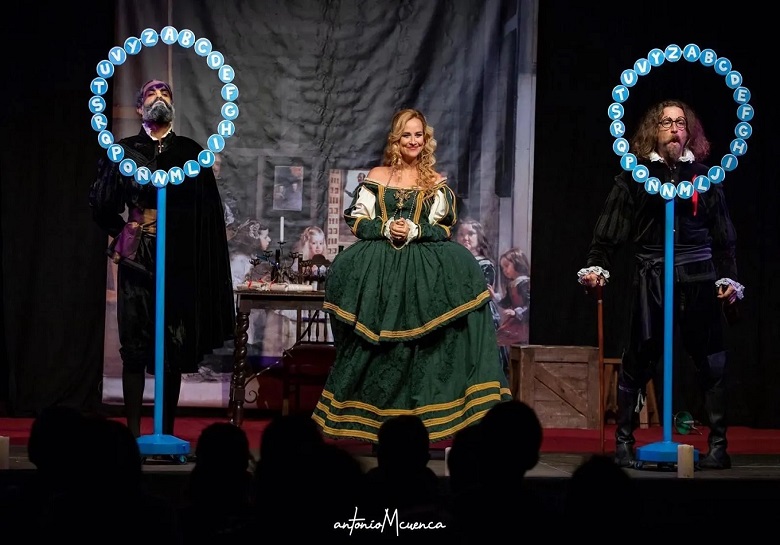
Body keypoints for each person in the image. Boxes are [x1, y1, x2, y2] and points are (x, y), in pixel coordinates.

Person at [312, 108, 512, 443]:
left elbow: (443, 226)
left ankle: (433, 412)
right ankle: (374, 420)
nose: (413, 141)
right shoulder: (377, 175)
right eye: (407, 135)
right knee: (377, 342)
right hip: (379, 266)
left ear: (426, 139)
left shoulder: (435, 182)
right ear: (396, 139)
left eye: (419, 135)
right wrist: (388, 226)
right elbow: (358, 220)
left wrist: (416, 229)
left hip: (425, 267)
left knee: (438, 321)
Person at [578, 99, 743, 470]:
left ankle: (718, 446)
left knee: (712, 361)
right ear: (655, 130)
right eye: (666, 122)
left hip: (698, 275)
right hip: (651, 275)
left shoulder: (705, 177)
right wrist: (596, 267)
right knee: (637, 358)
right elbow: (609, 233)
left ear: (689, 132)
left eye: (680, 123)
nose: (673, 129)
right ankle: (624, 441)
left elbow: (724, 237)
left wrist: (728, 278)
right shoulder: (635, 176)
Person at [88, 79, 235, 438]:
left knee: (173, 343)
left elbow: (208, 211)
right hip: (140, 258)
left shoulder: (190, 153)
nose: (159, 98)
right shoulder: (122, 152)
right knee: (136, 342)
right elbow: (101, 203)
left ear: (173, 106)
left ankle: (165, 432)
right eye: (152, 94)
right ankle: (135, 434)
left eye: (166, 93)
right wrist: (127, 232)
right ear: (140, 108)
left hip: (179, 259)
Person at [456, 217, 509, 377]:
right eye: (461, 234)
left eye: (470, 234)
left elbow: (481, 289)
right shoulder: (456, 261)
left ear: (479, 237)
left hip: (480, 311)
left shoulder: (485, 264)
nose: (465, 238)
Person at [494, 247, 531, 346]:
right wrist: (494, 296)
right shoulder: (511, 285)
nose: (505, 270)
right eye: (503, 268)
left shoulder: (525, 283)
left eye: (507, 266)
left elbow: (529, 304)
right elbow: (507, 302)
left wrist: (516, 312)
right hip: (514, 320)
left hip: (522, 322)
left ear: (518, 263)